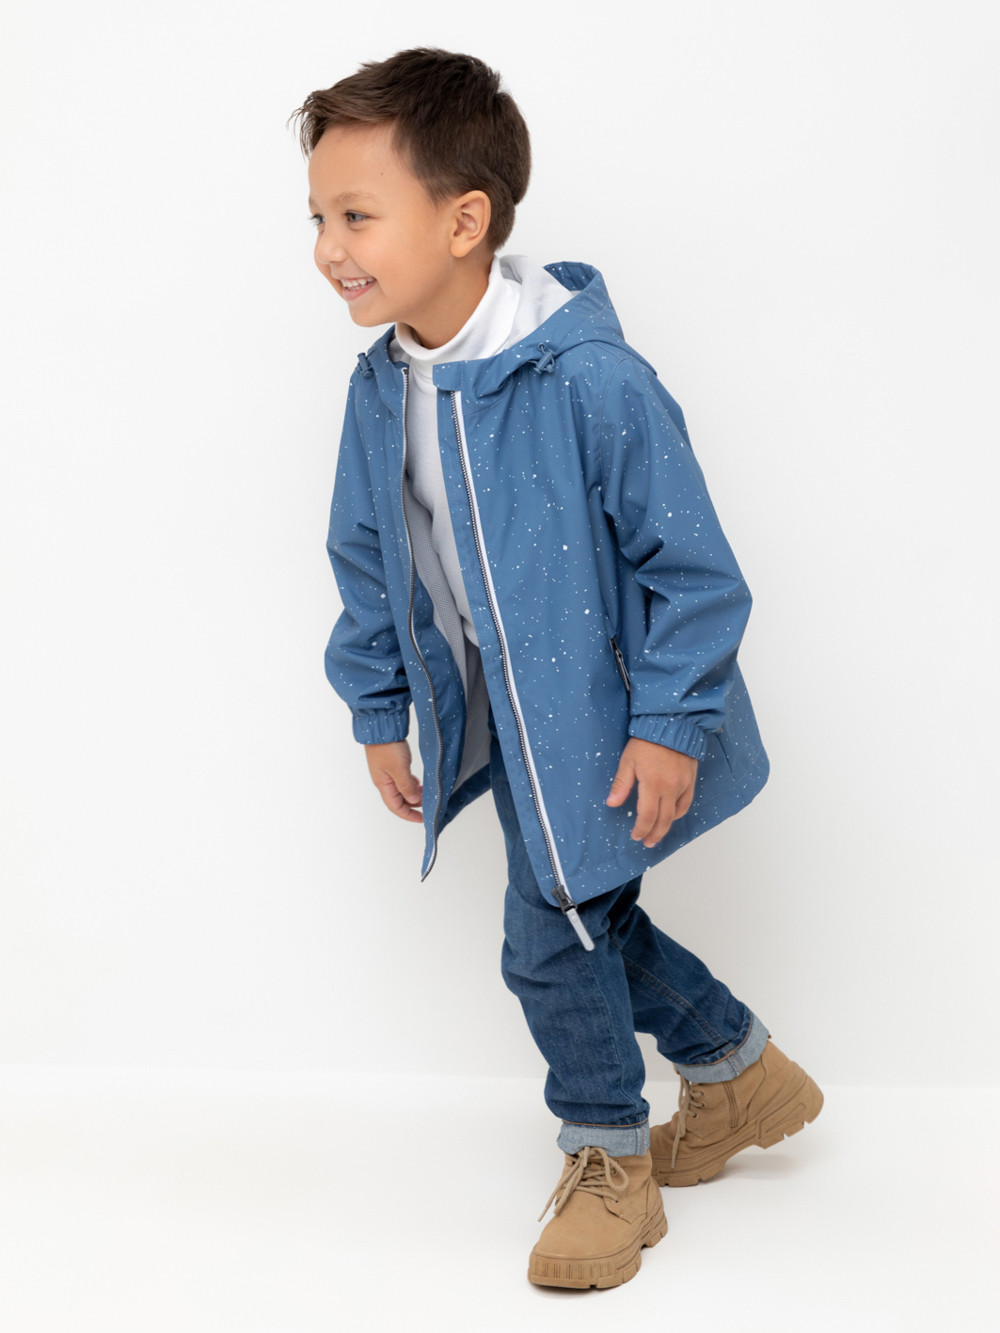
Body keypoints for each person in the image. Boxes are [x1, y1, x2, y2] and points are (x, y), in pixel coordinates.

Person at [291, 48, 822, 1290]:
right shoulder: (383, 388)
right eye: (316, 218)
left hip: (598, 716)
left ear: (463, 220)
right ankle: (737, 1071)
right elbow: (365, 554)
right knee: (588, 914)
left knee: (546, 938)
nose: (327, 249)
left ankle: (607, 1152)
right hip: (500, 712)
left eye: (356, 216)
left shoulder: (590, 381)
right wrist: (379, 704)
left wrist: (670, 723)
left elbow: (693, 571)